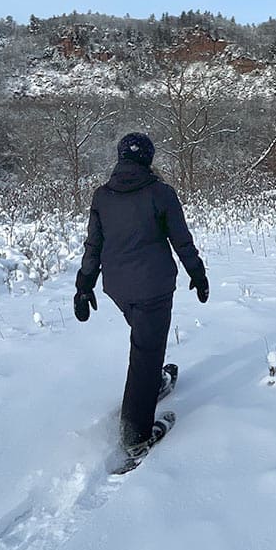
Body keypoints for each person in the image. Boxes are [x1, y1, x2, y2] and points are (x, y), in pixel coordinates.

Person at [74, 132, 209, 460]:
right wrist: (197, 273)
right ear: (148, 159)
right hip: (154, 288)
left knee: (145, 341)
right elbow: (182, 240)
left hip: (119, 288)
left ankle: (153, 383)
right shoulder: (160, 193)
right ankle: (136, 434)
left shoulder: (102, 196)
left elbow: (94, 245)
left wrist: (84, 285)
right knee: (145, 354)